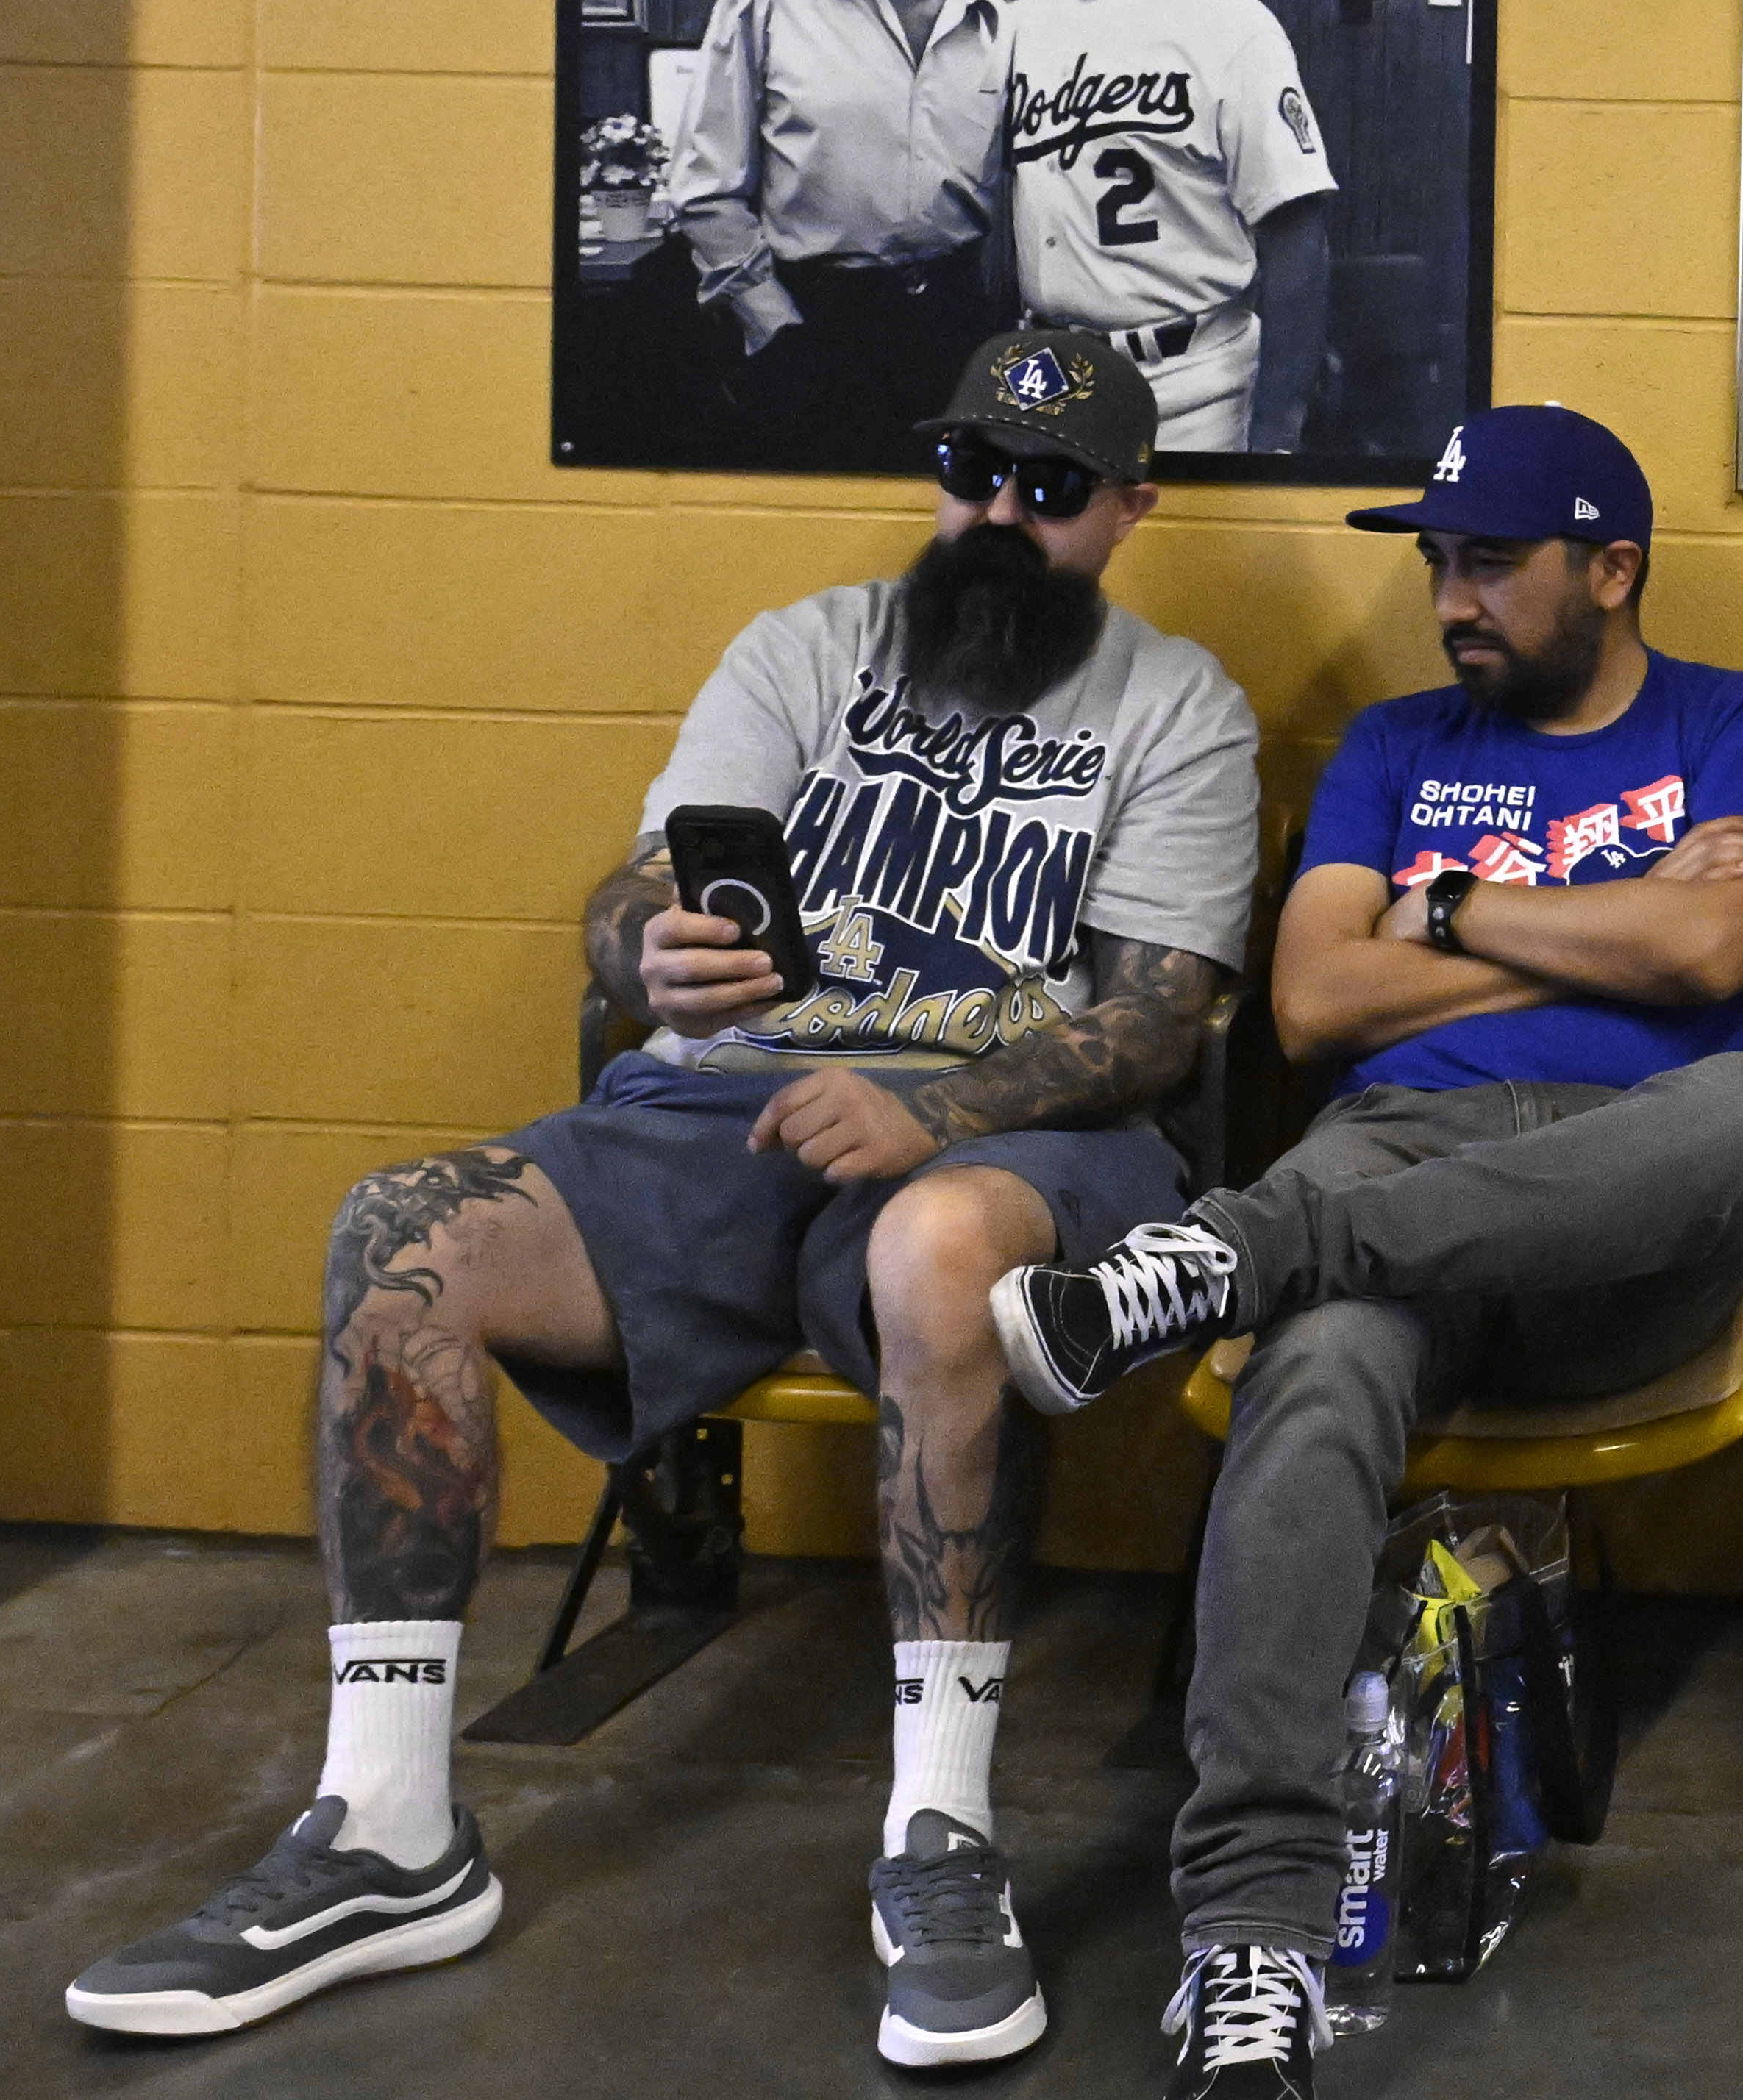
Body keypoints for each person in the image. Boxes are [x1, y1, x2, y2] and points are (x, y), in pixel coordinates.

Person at [66, 328, 1254, 2053]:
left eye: (1053, 488)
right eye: (970, 469)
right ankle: (392, 1829)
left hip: (1005, 1143)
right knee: (401, 1237)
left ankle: (942, 1831)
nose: (1000, 512)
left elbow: (1158, 1020)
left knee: (934, 1256)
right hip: (719, 1117)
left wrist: (948, 1113)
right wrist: (654, 953)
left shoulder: (1175, 705)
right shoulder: (802, 652)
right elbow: (630, 892)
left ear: (1129, 508)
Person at [985, 407, 1743, 2100]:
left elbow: (1716, 949)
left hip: (1627, 1210)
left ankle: (1220, 1258)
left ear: (1613, 568)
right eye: (1439, 560)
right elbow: (1313, 1001)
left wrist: (1439, 912)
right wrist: (1613, 934)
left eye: (1493, 562)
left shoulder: (1741, 723)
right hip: (1391, 1173)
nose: (1453, 595)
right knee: (1314, 1378)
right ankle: (1254, 1937)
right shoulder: (1388, 746)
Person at [666, 0, 1010, 463]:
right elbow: (704, 188)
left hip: (960, 338)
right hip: (813, 323)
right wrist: (776, 326)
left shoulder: (1001, 27)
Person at [1001, 0, 1336, 457]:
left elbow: (1298, 239)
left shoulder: (1230, 24)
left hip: (1195, 381)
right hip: (1050, 375)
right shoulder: (1011, 28)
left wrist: (1276, 432)